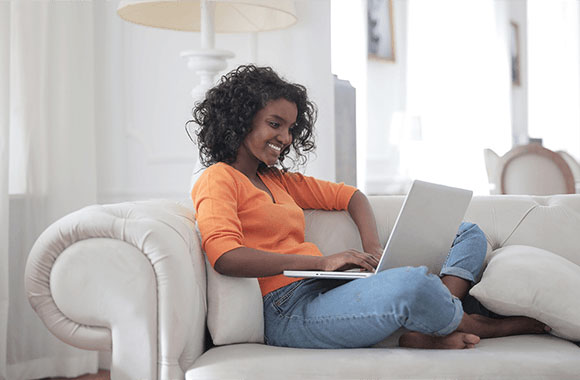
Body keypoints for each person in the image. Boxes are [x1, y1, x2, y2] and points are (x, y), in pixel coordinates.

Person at [188, 64, 549, 350]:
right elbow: (226, 256)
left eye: (291, 128)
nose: (285, 138)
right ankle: (464, 319)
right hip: (287, 310)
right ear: (240, 118)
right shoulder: (217, 178)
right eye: (275, 124)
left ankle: (431, 323)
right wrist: (320, 263)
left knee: (467, 232)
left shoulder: (278, 180)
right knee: (409, 283)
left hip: (327, 290)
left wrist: (374, 249)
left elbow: (353, 197)